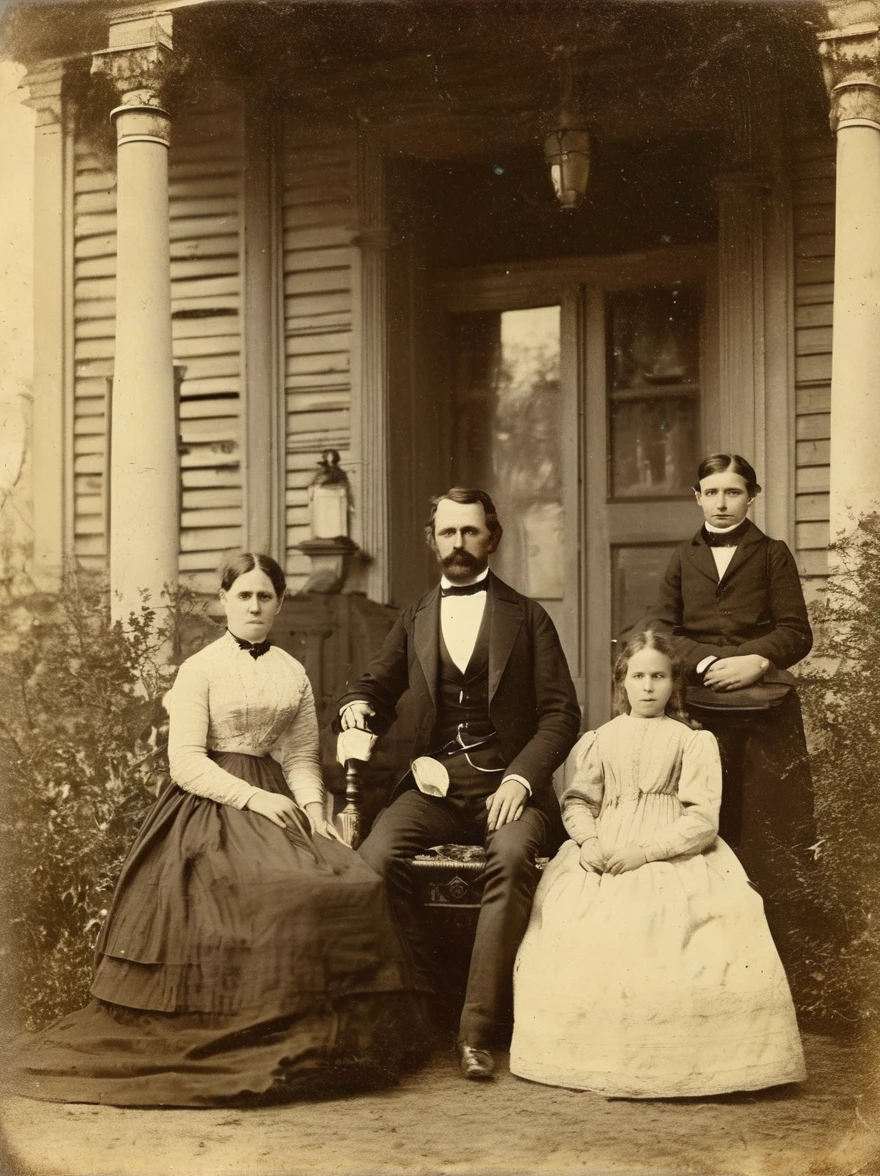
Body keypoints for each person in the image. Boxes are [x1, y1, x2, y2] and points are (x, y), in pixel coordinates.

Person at [18, 553, 429, 1107]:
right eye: (244, 596)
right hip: (209, 805)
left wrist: (312, 811)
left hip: (279, 802)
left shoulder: (292, 670)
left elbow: (303, 756)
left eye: (265, 596)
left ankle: (330, 1039)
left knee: (351, 881)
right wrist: (256, 797)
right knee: (274, 892)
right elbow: (185, 762)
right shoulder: (201, 668)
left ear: (280, 603)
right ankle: (254, 1028)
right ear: (224, 601)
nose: (255, 606)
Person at [337, 488, 580, 1081]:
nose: (459, 545)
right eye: (448, 533)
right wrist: (357, 707)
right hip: (436, 787)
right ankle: (422, 1005)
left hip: (508, 786)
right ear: (433, 539)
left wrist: (522, 779)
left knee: (514, 857)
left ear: (491, 538)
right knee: (373, 862)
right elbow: (374, 683)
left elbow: (561, 714)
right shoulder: (416, 616)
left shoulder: (527, 616)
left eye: (471, 532)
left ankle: (476, 1029)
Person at [510, 630, 806, 1097]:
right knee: (576, 925)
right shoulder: (598, 740)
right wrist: (588, 842)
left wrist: (645, 852)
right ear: (621, 682)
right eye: (638, 676)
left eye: (659, 677)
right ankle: (598, 1057)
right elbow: (578, 802)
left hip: (674, 853)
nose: (648, 687)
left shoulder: (693, 742)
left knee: (679, 932)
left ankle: (681, 1062)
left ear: (675, 684)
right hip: (604, 851)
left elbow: (703, 819)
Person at [645, 453, 823, 1005]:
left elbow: (796, 631)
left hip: (768, 713)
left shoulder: (773, 556)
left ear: (753, 496)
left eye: (734, 493)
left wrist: (756, 661)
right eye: (711, 492)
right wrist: (701, 662)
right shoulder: (681, 559)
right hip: (701, 715)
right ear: (696, 497)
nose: (722, 504)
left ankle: (780, 978)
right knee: (706, 828)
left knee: (773, 833)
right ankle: (705, 974)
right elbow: (662, 629)